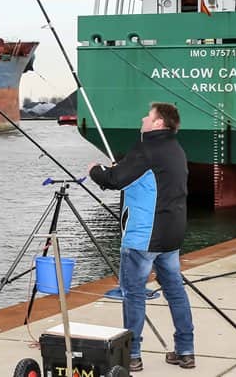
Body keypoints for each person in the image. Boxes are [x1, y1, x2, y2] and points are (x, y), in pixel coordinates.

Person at [88, 102, 195, 371]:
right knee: (175, 292)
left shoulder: (146, 148)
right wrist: (122, 168)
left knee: (133, 294)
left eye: (149, 116)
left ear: (158, 123)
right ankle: (186, 350)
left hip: (144, 237)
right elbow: (139, 176)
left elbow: (114, 179)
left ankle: (132, 355)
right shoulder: (176, 150)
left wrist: (95, 171)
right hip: (171, 235)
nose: (143, 118)